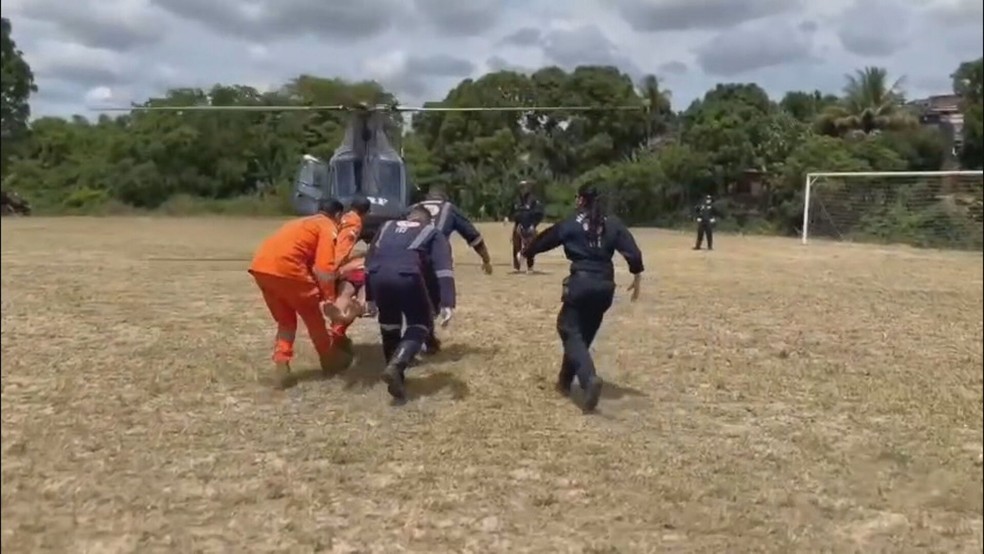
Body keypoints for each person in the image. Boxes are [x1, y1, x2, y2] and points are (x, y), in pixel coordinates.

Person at [522, 184, 644, 413]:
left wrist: (527, 251)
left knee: (567, 328)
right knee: (581, 336)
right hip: (605, 287)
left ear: (581, 200)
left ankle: (589, 379)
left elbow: (546, 239)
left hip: (581, 284)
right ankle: (564, 382)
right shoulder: (612, 223)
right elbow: (633, 254)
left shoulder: (571, 223)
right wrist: (636, 275)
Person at [248, 197, 345, 388]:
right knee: (314, 318)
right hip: (289, 271)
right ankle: (329, 360)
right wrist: (329, 297)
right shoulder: (327, 226)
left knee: (286, 322)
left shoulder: (300, 223)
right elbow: (325, 267)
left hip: (261, 268)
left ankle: (281, 365)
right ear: (338, 215)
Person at [364, 205, 457, 401]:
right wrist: (447, 302)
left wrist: (369, 297)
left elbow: (368, 262)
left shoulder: (386, 226)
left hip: (377, 276)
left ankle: (396, 376)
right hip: (407, 275)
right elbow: (443, 268)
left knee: (389, 323)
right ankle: (397, 364)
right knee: (421, 323)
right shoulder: (432, 232)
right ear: (429, 221)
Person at [410, 185, 492, 353]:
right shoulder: (449, 209)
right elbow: (473, 236)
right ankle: (421, 338)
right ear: (444, 198)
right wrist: (486, 259)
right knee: (432, 300)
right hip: (432, 256)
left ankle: (424, 336)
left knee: (414, 297)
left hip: (405, 255)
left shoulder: (413, 208)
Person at [322, 195, 372, 357]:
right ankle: (338, 331)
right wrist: (334, 267)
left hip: (343, 267)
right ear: (367, 212)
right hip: (346, 268)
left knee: (343, 297)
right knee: (361, 302)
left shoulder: (344, 218)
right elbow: (342, 246)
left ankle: (336, 331)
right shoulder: (355, 222)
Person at [511, 180, 545, 273]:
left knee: (530, 245)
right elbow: (512, 211)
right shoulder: (517, 200)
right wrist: (513, 221)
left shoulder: (533, 200)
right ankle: (517, 266)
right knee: (516, 244)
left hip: (530, 225)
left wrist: (534, 224)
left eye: (524, 187)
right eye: (521, 187)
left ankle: (530, 266)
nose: (523, 189)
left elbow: (540, 213)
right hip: (519, 225)